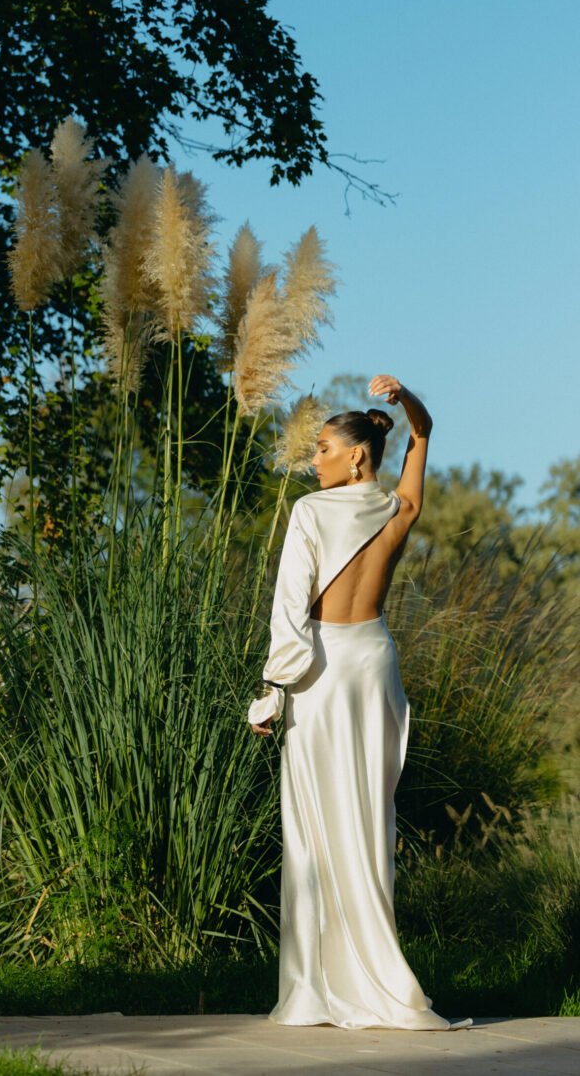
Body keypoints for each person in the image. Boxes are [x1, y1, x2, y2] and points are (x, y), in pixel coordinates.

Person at [248, 374, 470, 1030]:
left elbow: (289, 608)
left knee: (313, 829)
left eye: (320, 448)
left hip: (319, 670)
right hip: (372, 662)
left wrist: (272, 693)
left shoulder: (310, 514)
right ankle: (378, 982)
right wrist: (405, 402)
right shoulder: (400, 508)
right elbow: (425, 433)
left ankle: (316, 991)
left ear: (355, 455)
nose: (312, 459)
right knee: (369, 820)